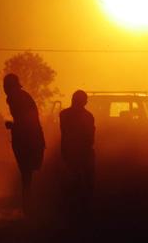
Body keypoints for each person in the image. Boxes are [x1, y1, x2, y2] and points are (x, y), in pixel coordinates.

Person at [3, 73, 45, 216]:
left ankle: (29, 207)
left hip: (29, 138)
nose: (5, 89)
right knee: (27, 173)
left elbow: (29, 119)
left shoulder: (17, 98)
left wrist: (14, 126)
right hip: (27, 137)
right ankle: (28, 206)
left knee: (27, 173)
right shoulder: (16, 97)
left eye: (6, 85)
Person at [59, 90, 95, 219]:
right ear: (83, 102)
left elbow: (64, 134)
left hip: (71, 151)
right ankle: (84, 209)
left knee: (73, 179)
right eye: (84, 100)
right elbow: (91, 137)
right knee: (86, 181)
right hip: (83, 151)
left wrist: (63, 150)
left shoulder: (63, 115)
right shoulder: (88, 116)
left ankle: (73, 208)